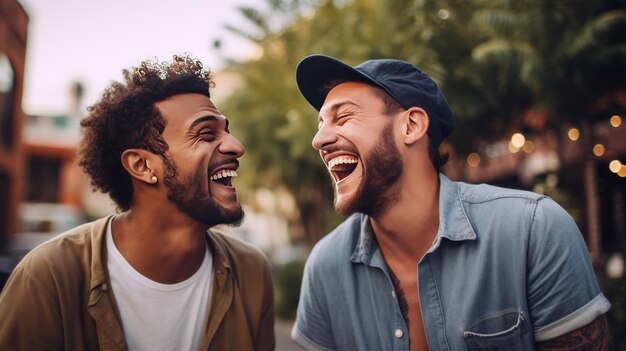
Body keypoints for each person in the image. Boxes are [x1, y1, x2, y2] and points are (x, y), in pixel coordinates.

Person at [290, 54, 611, 351]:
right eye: (320, 125)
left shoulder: (532, 230)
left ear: (411, 125)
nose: (318, 140)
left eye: (343, 117)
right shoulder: (325, 268)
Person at [0, 55, 275, 351]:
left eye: (227, 131)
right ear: (142, 166)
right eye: (206, 133)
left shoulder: (251, 271)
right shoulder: (48, 277)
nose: (236, 147)